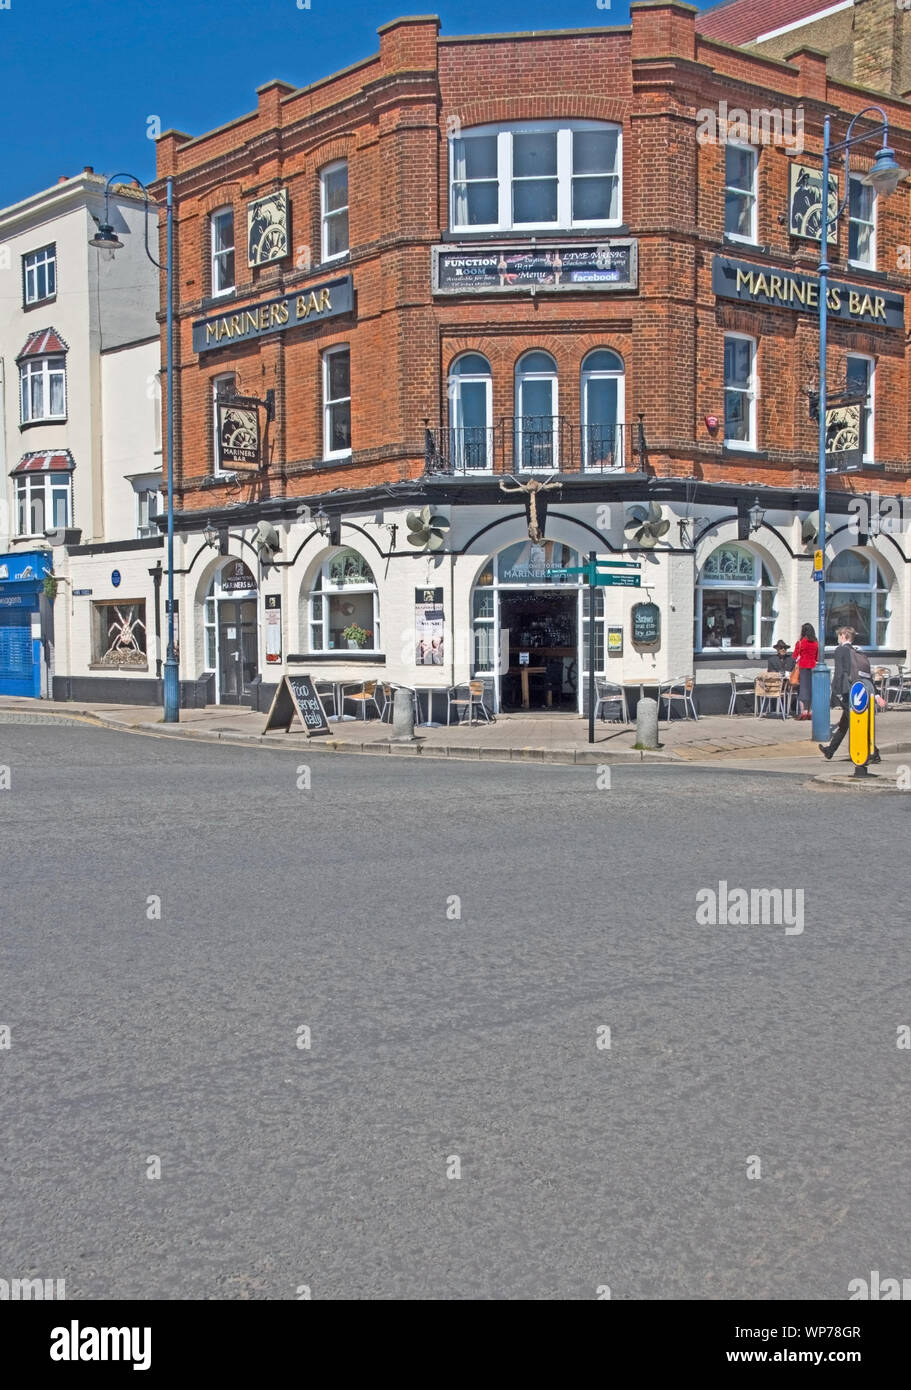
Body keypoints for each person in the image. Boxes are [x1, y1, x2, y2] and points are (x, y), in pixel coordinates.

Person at [819, 626, 881, 763]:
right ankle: (830, 750)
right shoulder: (856, 652)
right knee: (845, 723)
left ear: (844, 636)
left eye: (839, 635)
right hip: (857, 690)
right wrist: (875, 694)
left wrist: (837, 692)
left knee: (856, 722)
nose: (837, 638)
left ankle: (874, 752)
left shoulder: (840, 650)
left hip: (846, 691)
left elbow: (840, 672)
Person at [792, 622, 819, 720]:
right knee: (812, 690)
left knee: (802, 690)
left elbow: (795, 656)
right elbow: (817, 657)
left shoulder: (800, 642)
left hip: (803, 667)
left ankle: (803, 712)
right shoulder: (816, 643)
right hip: (813, 667)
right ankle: (810, 711)